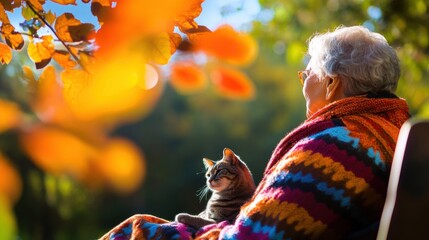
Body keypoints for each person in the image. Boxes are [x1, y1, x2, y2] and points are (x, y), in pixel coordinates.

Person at [99, 25, 410, 239]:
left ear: (332, 84)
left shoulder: (337, 146)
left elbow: (257, 235)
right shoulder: (389, 134)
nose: (302, 83)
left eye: (307, 74)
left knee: (134, 230)